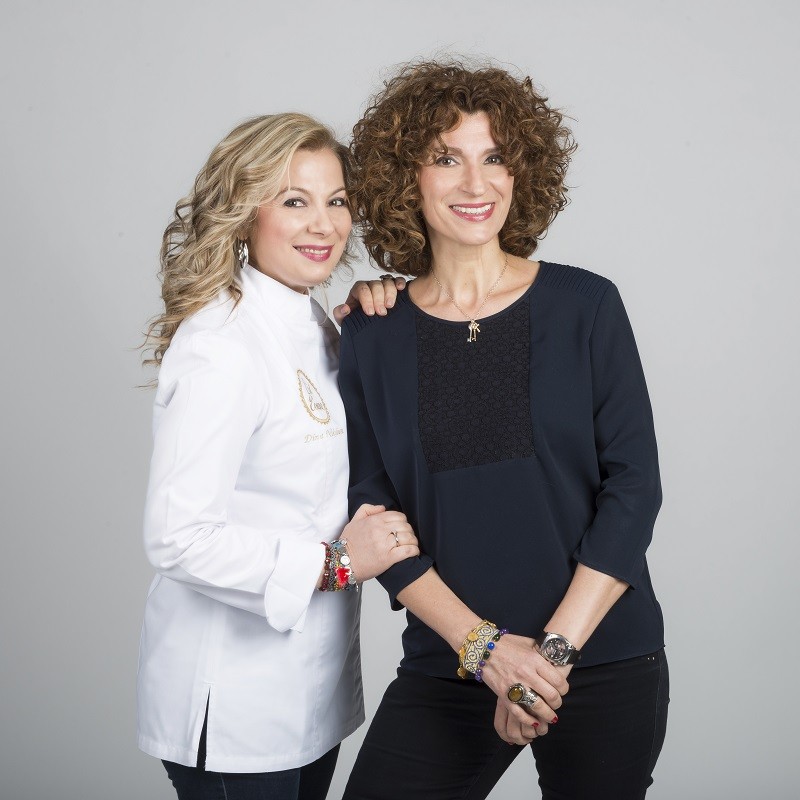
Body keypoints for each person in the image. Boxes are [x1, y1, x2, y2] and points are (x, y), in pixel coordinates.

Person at [338, 61, 669, 800]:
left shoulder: (586, 306)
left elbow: (634, 490)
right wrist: (489, 655)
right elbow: (374, 519)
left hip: (598, 658)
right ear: (405, 178)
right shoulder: (370, 335)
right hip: (454, 661)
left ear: (522, 173)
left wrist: (546, 662)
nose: (475, 183)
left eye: (494, 158)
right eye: (446, 158)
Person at [136, 112, 419, 800]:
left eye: (337, 200)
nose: (323, 224)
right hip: (235, 697)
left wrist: (372, 322)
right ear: (244, 213)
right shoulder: (221, 344)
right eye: (294, 201)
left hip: (309, 692)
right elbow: (176, 537)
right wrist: (337, 564)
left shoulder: (316, 322)